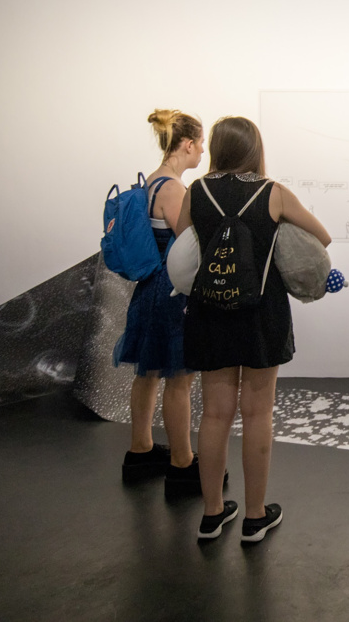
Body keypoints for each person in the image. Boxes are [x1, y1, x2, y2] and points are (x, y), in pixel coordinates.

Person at [175, 116, 331, 543]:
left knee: (213, 414)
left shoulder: (196, 192)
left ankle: (211, 514)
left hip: (209, 311)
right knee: (258, 412)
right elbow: (323, 236)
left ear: (218, 149)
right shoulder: (273, 193)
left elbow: (182, 240)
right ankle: (256, 516)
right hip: (262, 314)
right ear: (254, 150)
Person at [116, 109, 205, 495]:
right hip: (171, 292)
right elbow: (190, 244)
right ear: (187, 145)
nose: (202, 151)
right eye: (201, 144)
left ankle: (140, 450)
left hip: (148, 288)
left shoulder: (151, 181)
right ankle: (183, 463)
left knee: (147, 373)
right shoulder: (174, 190)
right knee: (179, 378)